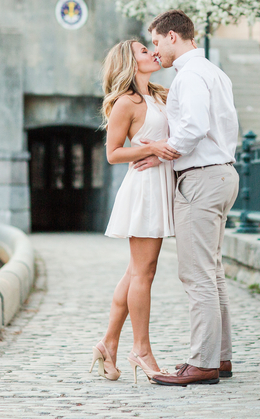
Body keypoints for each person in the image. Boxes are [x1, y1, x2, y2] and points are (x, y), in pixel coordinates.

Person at [134, 10, 240, 386]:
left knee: (196, 274)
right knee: (212, 272)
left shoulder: (190, 76)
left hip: (201, 179)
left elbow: (193, 127)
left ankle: (203, 362)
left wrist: (163, 149)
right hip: (221, 173)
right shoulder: (212, 71)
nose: (156, 50)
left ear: (173, 37)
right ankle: (219, 357)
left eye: (158, 41)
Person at [90, 39, 179, 383]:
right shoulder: (126, 102)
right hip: (143, 188)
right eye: (144, 50)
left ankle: (108, 343)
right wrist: (152, 147)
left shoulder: (159, 94)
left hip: (159, 183)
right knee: (144, 273)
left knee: (137, 271)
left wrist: (160, 149)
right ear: (130, 62)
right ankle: (141, 350)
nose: (152, 53)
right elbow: (113, 153)